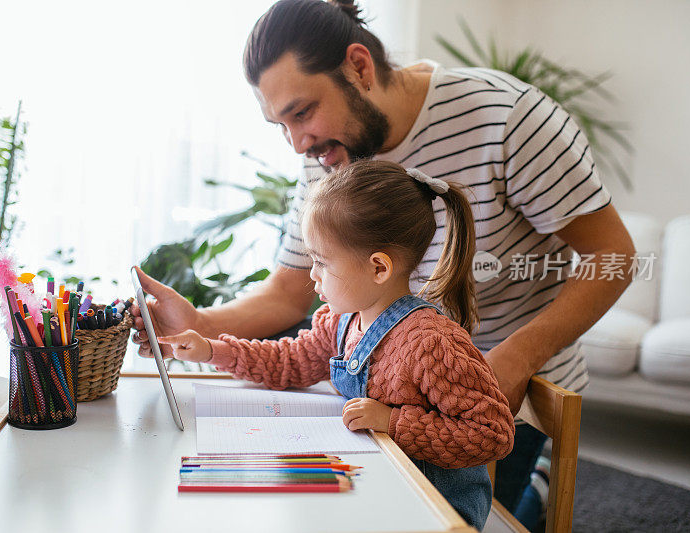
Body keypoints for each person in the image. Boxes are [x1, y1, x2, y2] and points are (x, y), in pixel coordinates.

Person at [131, 0, 635, 528]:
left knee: (489, 514)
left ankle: (532, 488)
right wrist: (201, 327)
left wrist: (513, 359)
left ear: (359, 67)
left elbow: (616, 257)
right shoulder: (324, 155)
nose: (298, 143)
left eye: (302, 112)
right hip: (389, 387)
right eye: (280, 124)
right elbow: (288, 291)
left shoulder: (508, 118)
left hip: (499, 382)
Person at [153, 160, 515, 530]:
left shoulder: (433, 344)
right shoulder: (342, 321)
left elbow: (493, 434)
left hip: (433, 508)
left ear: (379, 269)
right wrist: (212, 350)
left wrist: (392, 421)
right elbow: (289, 361)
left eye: (322, 262)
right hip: (375, 486)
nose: (312, 274)